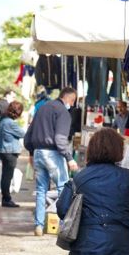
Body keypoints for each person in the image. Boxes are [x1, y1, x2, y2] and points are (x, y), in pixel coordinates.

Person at [24, 86, 79, 236]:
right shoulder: (63, 113)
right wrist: (69, 158)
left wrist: (30, 152)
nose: (73, 105)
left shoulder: (42, 108)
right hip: (53, 153)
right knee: (63, 188)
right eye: (73, 101)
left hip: (38, 153)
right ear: (68, 98)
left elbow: (28, 134)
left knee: (41, 190)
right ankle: (63, 226)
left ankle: (39, 226)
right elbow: (60, 139)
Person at [0, 101, 26, 208]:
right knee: (7, 176)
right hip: (10, 151)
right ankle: (6, 199)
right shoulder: (10, 123)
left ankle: (5, 198)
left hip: (4, 151)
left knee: (5, 175)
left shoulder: (3, 121)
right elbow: (23, 133)